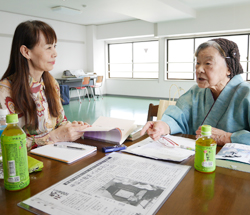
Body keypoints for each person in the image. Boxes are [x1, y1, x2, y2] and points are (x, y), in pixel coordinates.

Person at [141, 38, 250, 146]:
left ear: (229, 69)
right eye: (198, 63)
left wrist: (228, 137)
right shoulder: (196, 92)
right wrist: (163, 126)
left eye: (208, 63)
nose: (199, 69)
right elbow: (177, 117)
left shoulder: (246, 93)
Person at [0, 20, 90, 151]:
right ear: (26, 52)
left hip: (55, 156)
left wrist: (72, 128)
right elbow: (4, 146)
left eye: (55, 46)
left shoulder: (51, 83)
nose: (55, 53)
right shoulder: (4, 91)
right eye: (48, 47)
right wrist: (52, 137)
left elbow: (60, 122)